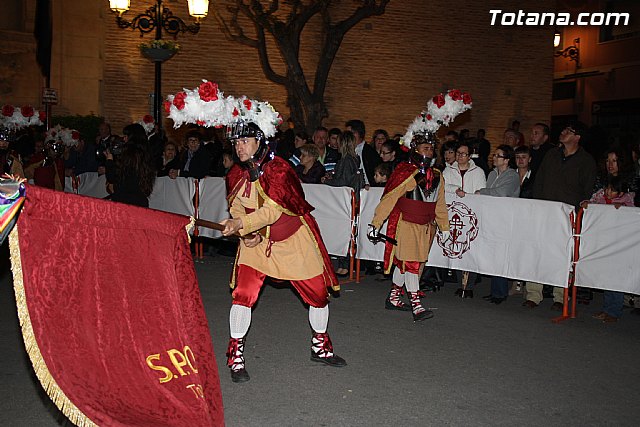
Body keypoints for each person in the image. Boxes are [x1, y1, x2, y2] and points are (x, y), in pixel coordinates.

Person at [221, 121, 346, 383]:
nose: (238, 147)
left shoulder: (279, 169)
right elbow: (236, 207)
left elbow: (274, 210)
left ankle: (320, 346)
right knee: (243, 294)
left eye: (244, 141)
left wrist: (243, 225)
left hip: (292, 240)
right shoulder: (235, 172)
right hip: (257, 244)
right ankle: (236, 354)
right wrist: (245, 231)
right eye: (235, 143)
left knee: (319, 294)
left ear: (259, 141)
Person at [369, 133, 450, 321]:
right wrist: (376, 223)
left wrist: (444, 226)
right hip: (406, 224)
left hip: (425, 227)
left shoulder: (438, 176)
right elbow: (389, 199)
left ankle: (394, 298)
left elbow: (440, 203)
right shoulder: (405, 172)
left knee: (405, 263)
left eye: (431, 148)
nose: (428, 152)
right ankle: (416, 305)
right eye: (425, 148)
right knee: (412, 264)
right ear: (415, 150)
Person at [524, 121, 597, 310]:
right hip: (546, 211)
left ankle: (560, 296)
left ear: (577, 137)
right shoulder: (552, 154)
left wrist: (579, 211)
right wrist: (538, 204)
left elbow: (587, 189)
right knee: (538, 251)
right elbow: (539, 180)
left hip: (567, 215)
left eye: (568, 130)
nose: (563, 132)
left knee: (562, 255)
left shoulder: (586, 160)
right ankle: (534, 293)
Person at [581, 174, 635, 322]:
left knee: (616, 278)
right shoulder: (599, 196)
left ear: (621, 193)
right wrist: (586, 203)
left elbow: (632, 214)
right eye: (607, 189)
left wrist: (622, 208)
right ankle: (607, 309)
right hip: (603, 243)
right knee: (605, 277)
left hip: (619, 245)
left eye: (612, 190)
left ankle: (614, 312)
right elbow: (589, 202)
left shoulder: (626, 201)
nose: (608, 192)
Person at [476, 145, 520, 303]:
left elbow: (502, 193)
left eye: (498, 156)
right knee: (493, 255)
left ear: (507, 160)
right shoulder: (492, 174)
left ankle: (500, 293)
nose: (494, 158)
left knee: (501, 256)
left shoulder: (512, 176)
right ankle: (495, 291)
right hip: (492, 218)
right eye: (494, 155)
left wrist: (482, 192)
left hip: (505, 220)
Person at [442, 141, 486, 297]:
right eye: (458, 153)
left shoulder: (478, 171)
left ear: (469, 156)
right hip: (454, 213)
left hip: (471, 214)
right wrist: (456, 189)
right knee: (457, 245)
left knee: (470, 247)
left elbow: (480, 191)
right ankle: (460, 282)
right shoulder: (448, 171)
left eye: (464, 154)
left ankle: (470, 285)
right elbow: (443, 186)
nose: (460, 156)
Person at [322, 130, 364, 277]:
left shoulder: (346, 160)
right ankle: (344, 263)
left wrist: (328, 181)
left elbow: (343, 182)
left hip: (344, 201)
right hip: (348, 200)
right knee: (347, 231)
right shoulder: (354, 159)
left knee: (344, 231)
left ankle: (345, 264)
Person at [105, 132, 156, 207]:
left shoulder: (127, 160)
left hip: (123, 203)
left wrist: (109, 160)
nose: (124, 139)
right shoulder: (145, 158)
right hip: (140, 203)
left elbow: (112, 177)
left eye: (126, 136)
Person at [345, 119, 380, 187]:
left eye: (349, 134)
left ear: (357, 134)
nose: (347, 137)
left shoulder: (370, 153)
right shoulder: (345, 151)